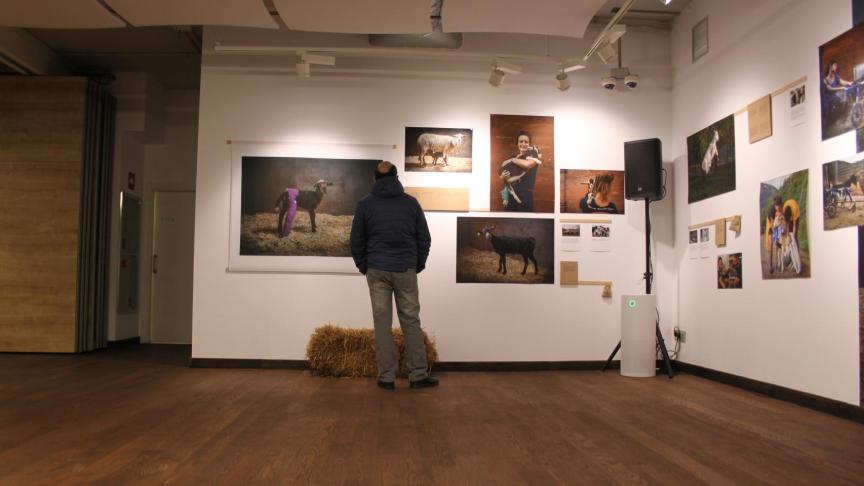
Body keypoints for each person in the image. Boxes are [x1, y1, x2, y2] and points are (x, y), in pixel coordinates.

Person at [350, 161, 437, 390]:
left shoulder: (365, 204)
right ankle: (418, 374)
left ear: (374, 179)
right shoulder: (411, 203)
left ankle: (386, 377)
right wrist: (416, 264)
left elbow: (356, 240)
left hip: (377, 269)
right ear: (397, 177)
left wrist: (364, 266)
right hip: (405, 269)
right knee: (411, 321)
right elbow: (424, 239)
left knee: (382, 323)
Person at [498, 131, 541, 212]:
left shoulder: (533, 156)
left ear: (529, 144)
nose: (523, 144)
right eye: (521, 141)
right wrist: (503, 177)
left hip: (525, 196)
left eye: (526, 142)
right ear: (517, 143)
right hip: (511, 196)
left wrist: (512, 160)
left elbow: (528, 165)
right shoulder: (512, 157)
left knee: (525, 222)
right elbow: (503, 177)